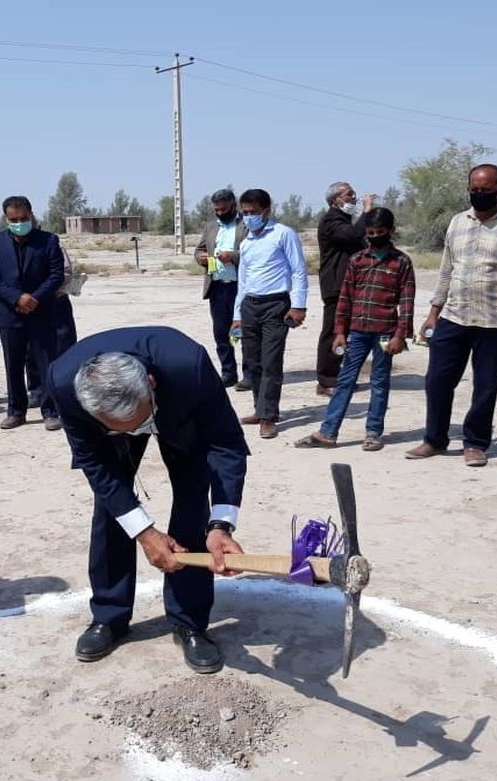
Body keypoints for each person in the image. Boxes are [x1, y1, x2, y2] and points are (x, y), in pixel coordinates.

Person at [48, 326, 247, 673]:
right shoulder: (65, 383)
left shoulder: (191, 367)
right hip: (116, 424)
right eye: (121, 428)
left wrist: (221, 525)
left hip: (177, 412)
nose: (133, 435)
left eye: (137, 425)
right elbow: (95, 464)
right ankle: (109, 616)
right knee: (114, 508)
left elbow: (226, 444)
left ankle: (189, 621)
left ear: (151, 386)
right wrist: (144, 531)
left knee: (192, 502)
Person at [406, 164, 497, 467]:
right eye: (474, 189)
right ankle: (434, 440)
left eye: (486, 190)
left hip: (496, 321)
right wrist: (433, 313)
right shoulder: (457, 222)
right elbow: (446, 270)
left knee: (485, 385)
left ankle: (475, 443)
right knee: (437, 381)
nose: (479, 194)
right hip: (454, 316)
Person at [295, 208, 415, 451]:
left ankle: (373, 433)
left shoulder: (401, 262)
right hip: (358, 332)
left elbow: (406, 302)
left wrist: (400, 335)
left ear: (391, 231)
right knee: (346, 380)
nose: (375, 236)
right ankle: (328, 432)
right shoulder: (357, 260)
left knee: (380, 381)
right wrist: (340, 332)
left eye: (380, 232)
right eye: (370, 233)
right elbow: (345, 299)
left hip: (385, 334)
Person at [231, 188, 309, 440]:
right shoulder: (246, 242)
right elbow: (242, 281)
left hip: (276, 305)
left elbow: (298, 271)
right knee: (252, 361)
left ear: (267, 211)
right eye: (245, 212)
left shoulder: (283, 234)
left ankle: (268, 416)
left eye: (253, 212)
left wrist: (298, 305)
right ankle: (259, 408)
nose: (248, 217)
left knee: (271, 361)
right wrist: (237, 315)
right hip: (249, 306)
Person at [0, 195, 65, 431]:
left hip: (42, 312)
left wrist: (34, 298)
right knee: (13, 364)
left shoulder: (48, 240)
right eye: (14, 219)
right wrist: (16, 297)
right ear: (6, 218)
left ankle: (50, 411)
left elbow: (56, 274)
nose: (19, 222)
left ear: (31, 214)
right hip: (10, 314)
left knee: (46, 363)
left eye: (23, 218)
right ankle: (16, 411)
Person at [316, 182, 373, 396]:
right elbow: (353, 235)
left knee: (344, 331)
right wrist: (367, 212)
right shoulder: (332, 220)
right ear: (335, 200)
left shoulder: (343, 220)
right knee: (333, 331)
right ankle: (326, 380)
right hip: (335, 285)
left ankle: (338, 375)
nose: (354, 198)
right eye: (349, 195)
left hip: (348, 284)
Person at [193, 189, 247, 388]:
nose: (220, 213)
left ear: (234, 205)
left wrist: (232, 256)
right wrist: (200, 258)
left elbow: (255, 252)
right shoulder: (210, 227)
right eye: (216, 210)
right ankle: (228, 373)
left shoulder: (245, 225)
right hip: (217, 287)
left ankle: (249, 375)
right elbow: (199, 249)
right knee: (221, 333)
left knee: (244, 331)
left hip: (240, 288)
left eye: (224, 209)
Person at [25, 226, 79, 406]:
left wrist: (43, 287)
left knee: (64, 345)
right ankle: (36, 391)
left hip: (56, 302)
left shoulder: (52, 244)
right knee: (32, 348)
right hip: (31, 305)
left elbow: (66, 273)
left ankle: (64, 389)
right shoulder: (20, 251)